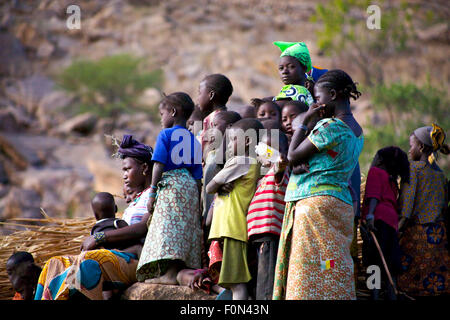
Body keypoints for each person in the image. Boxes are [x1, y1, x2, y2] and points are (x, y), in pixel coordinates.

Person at [273, 69, 364, 300]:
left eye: (318, 98)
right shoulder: (357, 132)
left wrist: (303, 122)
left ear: (332, 94)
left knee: (307, 268)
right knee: (330, 265)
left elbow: (293, 156)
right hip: (340, 205)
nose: (316, 103)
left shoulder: (330, 127)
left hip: (314, 206)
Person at [36, 136, 154, 300]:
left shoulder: (154, 196)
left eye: (127, 169)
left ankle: (71, 293)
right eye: (123, 171)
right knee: (54, 264)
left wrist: (98, 237)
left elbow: (143, 227)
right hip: (120, 256)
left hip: (137, 261)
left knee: (86, 263)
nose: (124, 175)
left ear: (145, 168)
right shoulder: (135, 201)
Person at [136, 92, 203, 285]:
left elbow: (158, 165)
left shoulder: (166, 134)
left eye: (161, 113)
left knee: (166, 228)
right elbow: (197, 176)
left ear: (173, 112)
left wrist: (153, 191)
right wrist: (196, 202)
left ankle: (167, 275)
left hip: (171, 185)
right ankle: (174, 271)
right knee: (181, 229)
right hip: (189, 186)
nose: (160, 118)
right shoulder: (194, 140)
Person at [206, 118, 263, 300]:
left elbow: (209, 187)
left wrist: (218, 186)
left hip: (232, 228)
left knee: (237, 284)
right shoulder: (253, 162)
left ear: (247, 141)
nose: (229, 145)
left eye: (232, 140)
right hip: (233, 229)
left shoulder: (241, 160)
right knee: (234, 282)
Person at [397, 124, 450, 297]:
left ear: (420, 147)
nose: (409, 150)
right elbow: (443, 207)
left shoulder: (413, 169)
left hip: (417, 237)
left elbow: (406, 208)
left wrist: (397, 230)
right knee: (434, 287)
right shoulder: (440, 175)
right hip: (438, 237)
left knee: (411, 287)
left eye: (411, 145)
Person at [361, 146, 409, 300]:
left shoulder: (376, 172)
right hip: (391, 221)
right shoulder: (392, 181)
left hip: (378, 219)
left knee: (374, 261)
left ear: (381, 160)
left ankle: (374, 296)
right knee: (389, 261)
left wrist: (370, 215)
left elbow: (374, 195)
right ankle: (391, 294)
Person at [247, 130, 290, 300]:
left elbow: (280, 165)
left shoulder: (279, 172)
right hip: (258, 235)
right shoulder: (263, 177)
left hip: (269, 233)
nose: (262, 151)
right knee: (260, 277)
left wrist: (280, 160)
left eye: (268, 149)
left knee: (266, 283)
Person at [197, 74, 234, 152]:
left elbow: (204, 146)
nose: (198, 98)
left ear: (211, 95)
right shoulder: (228, 117)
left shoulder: (212, 118)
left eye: (200, 93)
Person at [273, 41, 314, 106]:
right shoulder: (307, 90)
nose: (284, 72)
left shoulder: (299, 92)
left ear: (304, 68)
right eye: (281, 68)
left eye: (291, 67)